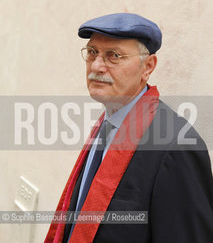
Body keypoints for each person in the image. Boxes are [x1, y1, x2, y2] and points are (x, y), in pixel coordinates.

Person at [45, 13, 213, 243]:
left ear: (148, 66)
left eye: (114, 56)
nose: (96, 66)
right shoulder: (106, 122)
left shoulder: (176, 146)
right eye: (92, 52)